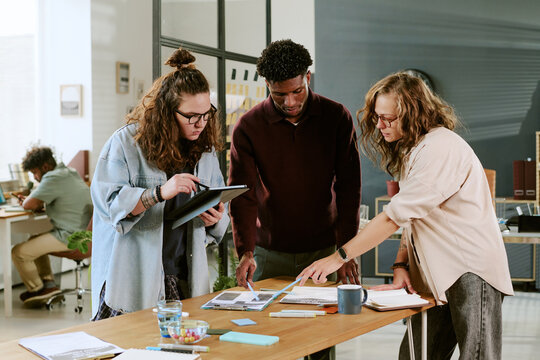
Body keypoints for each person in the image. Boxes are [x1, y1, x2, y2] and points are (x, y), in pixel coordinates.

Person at [298, 72, 514, 359]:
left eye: (389, 118)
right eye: (377, 117)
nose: (380, 125)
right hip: (437, 272)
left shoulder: (439, 148)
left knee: (477, 356)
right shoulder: (413, 150)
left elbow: (393, 218)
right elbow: (413, 217)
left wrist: (338, 257)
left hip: (471, 270)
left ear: (414, 113)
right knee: (416, 354)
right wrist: (401, 263)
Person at [90, 48, 229, 321]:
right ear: (166, 111)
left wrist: (216, 218)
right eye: (191, 116)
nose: (201, 123)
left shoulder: (205, 150)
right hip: (132, 278)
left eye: (206, 114)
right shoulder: (125, 144)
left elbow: (219, 215)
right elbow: (109, 206)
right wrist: (158, 193)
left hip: (184, 275)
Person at [229, 39, 361, 290]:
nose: (289, 102)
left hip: (325, 252)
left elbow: (349, 188)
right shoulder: (248, 127)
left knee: (326, 327)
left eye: (296, 91)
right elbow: (242, 194)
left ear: (307, 78)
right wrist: (245, 251)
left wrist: (346, 251)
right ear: (267, 84)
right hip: (268, 253)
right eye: (280, 94)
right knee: (267, 327)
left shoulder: (337, 117)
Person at [11, 146, 93, 305]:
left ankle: (37, 290)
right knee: (34, 239)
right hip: (86, 235)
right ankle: (48, 285)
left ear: (45, 167)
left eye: (35, 172)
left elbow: (28, 204)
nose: (35, 178)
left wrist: (28, 201)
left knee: (18, 252)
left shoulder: (53, 178)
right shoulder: (70, 172)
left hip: (71, 236)